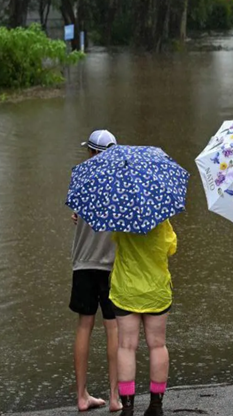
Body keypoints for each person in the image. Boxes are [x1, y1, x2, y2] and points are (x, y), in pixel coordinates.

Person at [69, 129, 121, 412]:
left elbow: (76, 214)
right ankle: (114, 398)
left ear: (91, 153)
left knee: (84, 327)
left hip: (83, 264)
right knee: (112, 329)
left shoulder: (80, 178)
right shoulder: (121, 183)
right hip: (112, 266)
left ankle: (81, 395)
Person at [113, 220, 177, 416]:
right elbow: (171, 247)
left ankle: (128, 407)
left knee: (126, 346)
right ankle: (156, 406)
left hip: (126, 289)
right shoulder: (161, 219)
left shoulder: (121, 217)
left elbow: (115, 241)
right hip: (156, 290)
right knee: (157, 344)